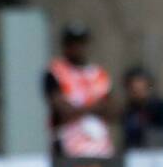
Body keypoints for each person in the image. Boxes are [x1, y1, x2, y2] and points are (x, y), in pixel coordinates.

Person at [46, 24, 115, 158]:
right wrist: (96, 107)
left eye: (81, 43)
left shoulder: (98, 74)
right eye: (73, 43)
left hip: (100, 145)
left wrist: (79, 109)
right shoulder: (56, 72)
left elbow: (113, 110)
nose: (77, 48)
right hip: (67, 144)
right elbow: (64, 111)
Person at [121, 67, 163, 149]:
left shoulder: (162, 109)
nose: (138, 91)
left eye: (141, 88)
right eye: (133, 89)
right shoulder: (129, 112)